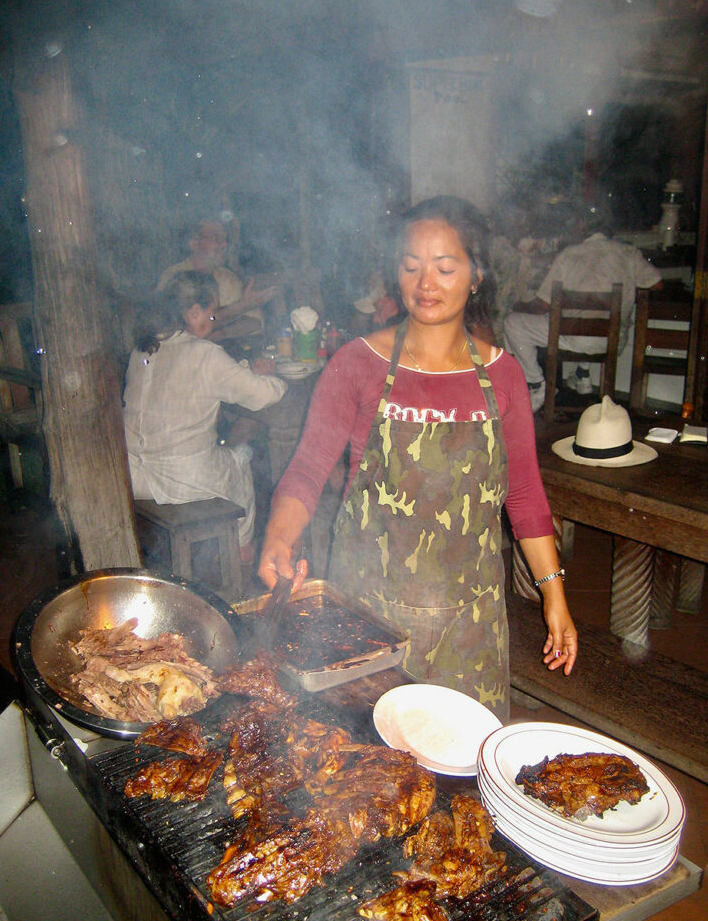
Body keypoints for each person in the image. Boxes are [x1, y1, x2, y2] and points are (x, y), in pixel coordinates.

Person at [258, 196, 577, 721]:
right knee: (371, 773)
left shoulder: (503, 377)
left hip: (470, 626)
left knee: (463, 777)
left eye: (445, 267)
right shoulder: (357, 364)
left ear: (476, 276)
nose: (426, 283)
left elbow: (523, 495)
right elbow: (309, 468)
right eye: (411, 266)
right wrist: (278, 537)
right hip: (369, 617)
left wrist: (554, 596)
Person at [123, 271, 286, 561]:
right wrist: (273, 377)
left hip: (134, 476)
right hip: (182, 479)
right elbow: (262, 396)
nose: (213, 322)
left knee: (226, 452)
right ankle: (241, 551)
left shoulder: (143, 349)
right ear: (194, 311)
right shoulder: (204, 354)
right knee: (241, 458)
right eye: (211, 315)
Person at [503, 205, 662, 412]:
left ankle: (536, 384)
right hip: (613, 339)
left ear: (581, 226)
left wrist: (518, 306)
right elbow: (657, 284)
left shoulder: (569, 255)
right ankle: (582, 374)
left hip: (573, 337)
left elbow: (544, 303)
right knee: (584, 325)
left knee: (512, 323)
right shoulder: (628, 253)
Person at [157, 219, 276, 334]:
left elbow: (254, 323)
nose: (224, 244)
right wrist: (236, 310)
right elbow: (170, 325)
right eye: (216, 238)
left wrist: (215, 336)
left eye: (225, 239)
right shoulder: (173, 276)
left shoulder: (227, 278)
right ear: (194, 244)